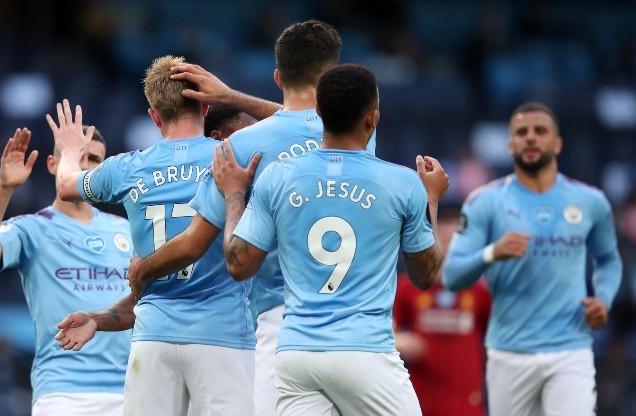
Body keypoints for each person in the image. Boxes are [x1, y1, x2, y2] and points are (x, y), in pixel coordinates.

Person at [122, 20, 378, 416]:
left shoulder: (240, 145)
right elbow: (317, 125)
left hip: (280, 322)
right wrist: (233, 97)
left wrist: (143, 270)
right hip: (361, 322)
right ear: (333, 78)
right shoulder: (363, 134)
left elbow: (193, 242)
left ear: (277, 76)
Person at [212, 62, 448, 415]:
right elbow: (426, 275)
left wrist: (234, 195)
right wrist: (432, 199)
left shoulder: (278, 176)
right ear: (373, 117)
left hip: (296, 355)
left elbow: (239, 264)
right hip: (364, 353)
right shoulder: (402, 183)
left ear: (319, 111)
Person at [48, 55, 257, 416]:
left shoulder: (126, 168)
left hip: (152, 337)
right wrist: (235, 97)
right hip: (223, 336)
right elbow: (307, 126)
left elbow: (66, 185)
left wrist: (69, 151)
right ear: (206, 106)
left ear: (154, 117)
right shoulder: (234, 159)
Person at [442, 101, 623, 416]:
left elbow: (608, 260)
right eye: (522, 132)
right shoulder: (484, 201)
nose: (531, 138)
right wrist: (492, 252)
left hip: (570, 348)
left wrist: (604, 299)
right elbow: (452, 275)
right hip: (509, 352)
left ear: (557, 143)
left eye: (540, 131)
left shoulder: (590, 201)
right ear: (511, 144)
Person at [0, 127, 133, 416]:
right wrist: (4, 188)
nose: (87, 167)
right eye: (79, 157)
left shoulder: (127, 230)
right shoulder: (32, 228)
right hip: (63, 391)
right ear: (54, 165)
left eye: (95, 160)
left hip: (130, 389)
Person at [393, 206, 491, 416]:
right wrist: (401, 341)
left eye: (455, 234)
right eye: (443, 233)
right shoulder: (408, 287)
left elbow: (494, 339)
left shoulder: (480, 289)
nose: (448, 241)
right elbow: (384, 332)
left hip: (466, 402)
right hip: (419, 400)